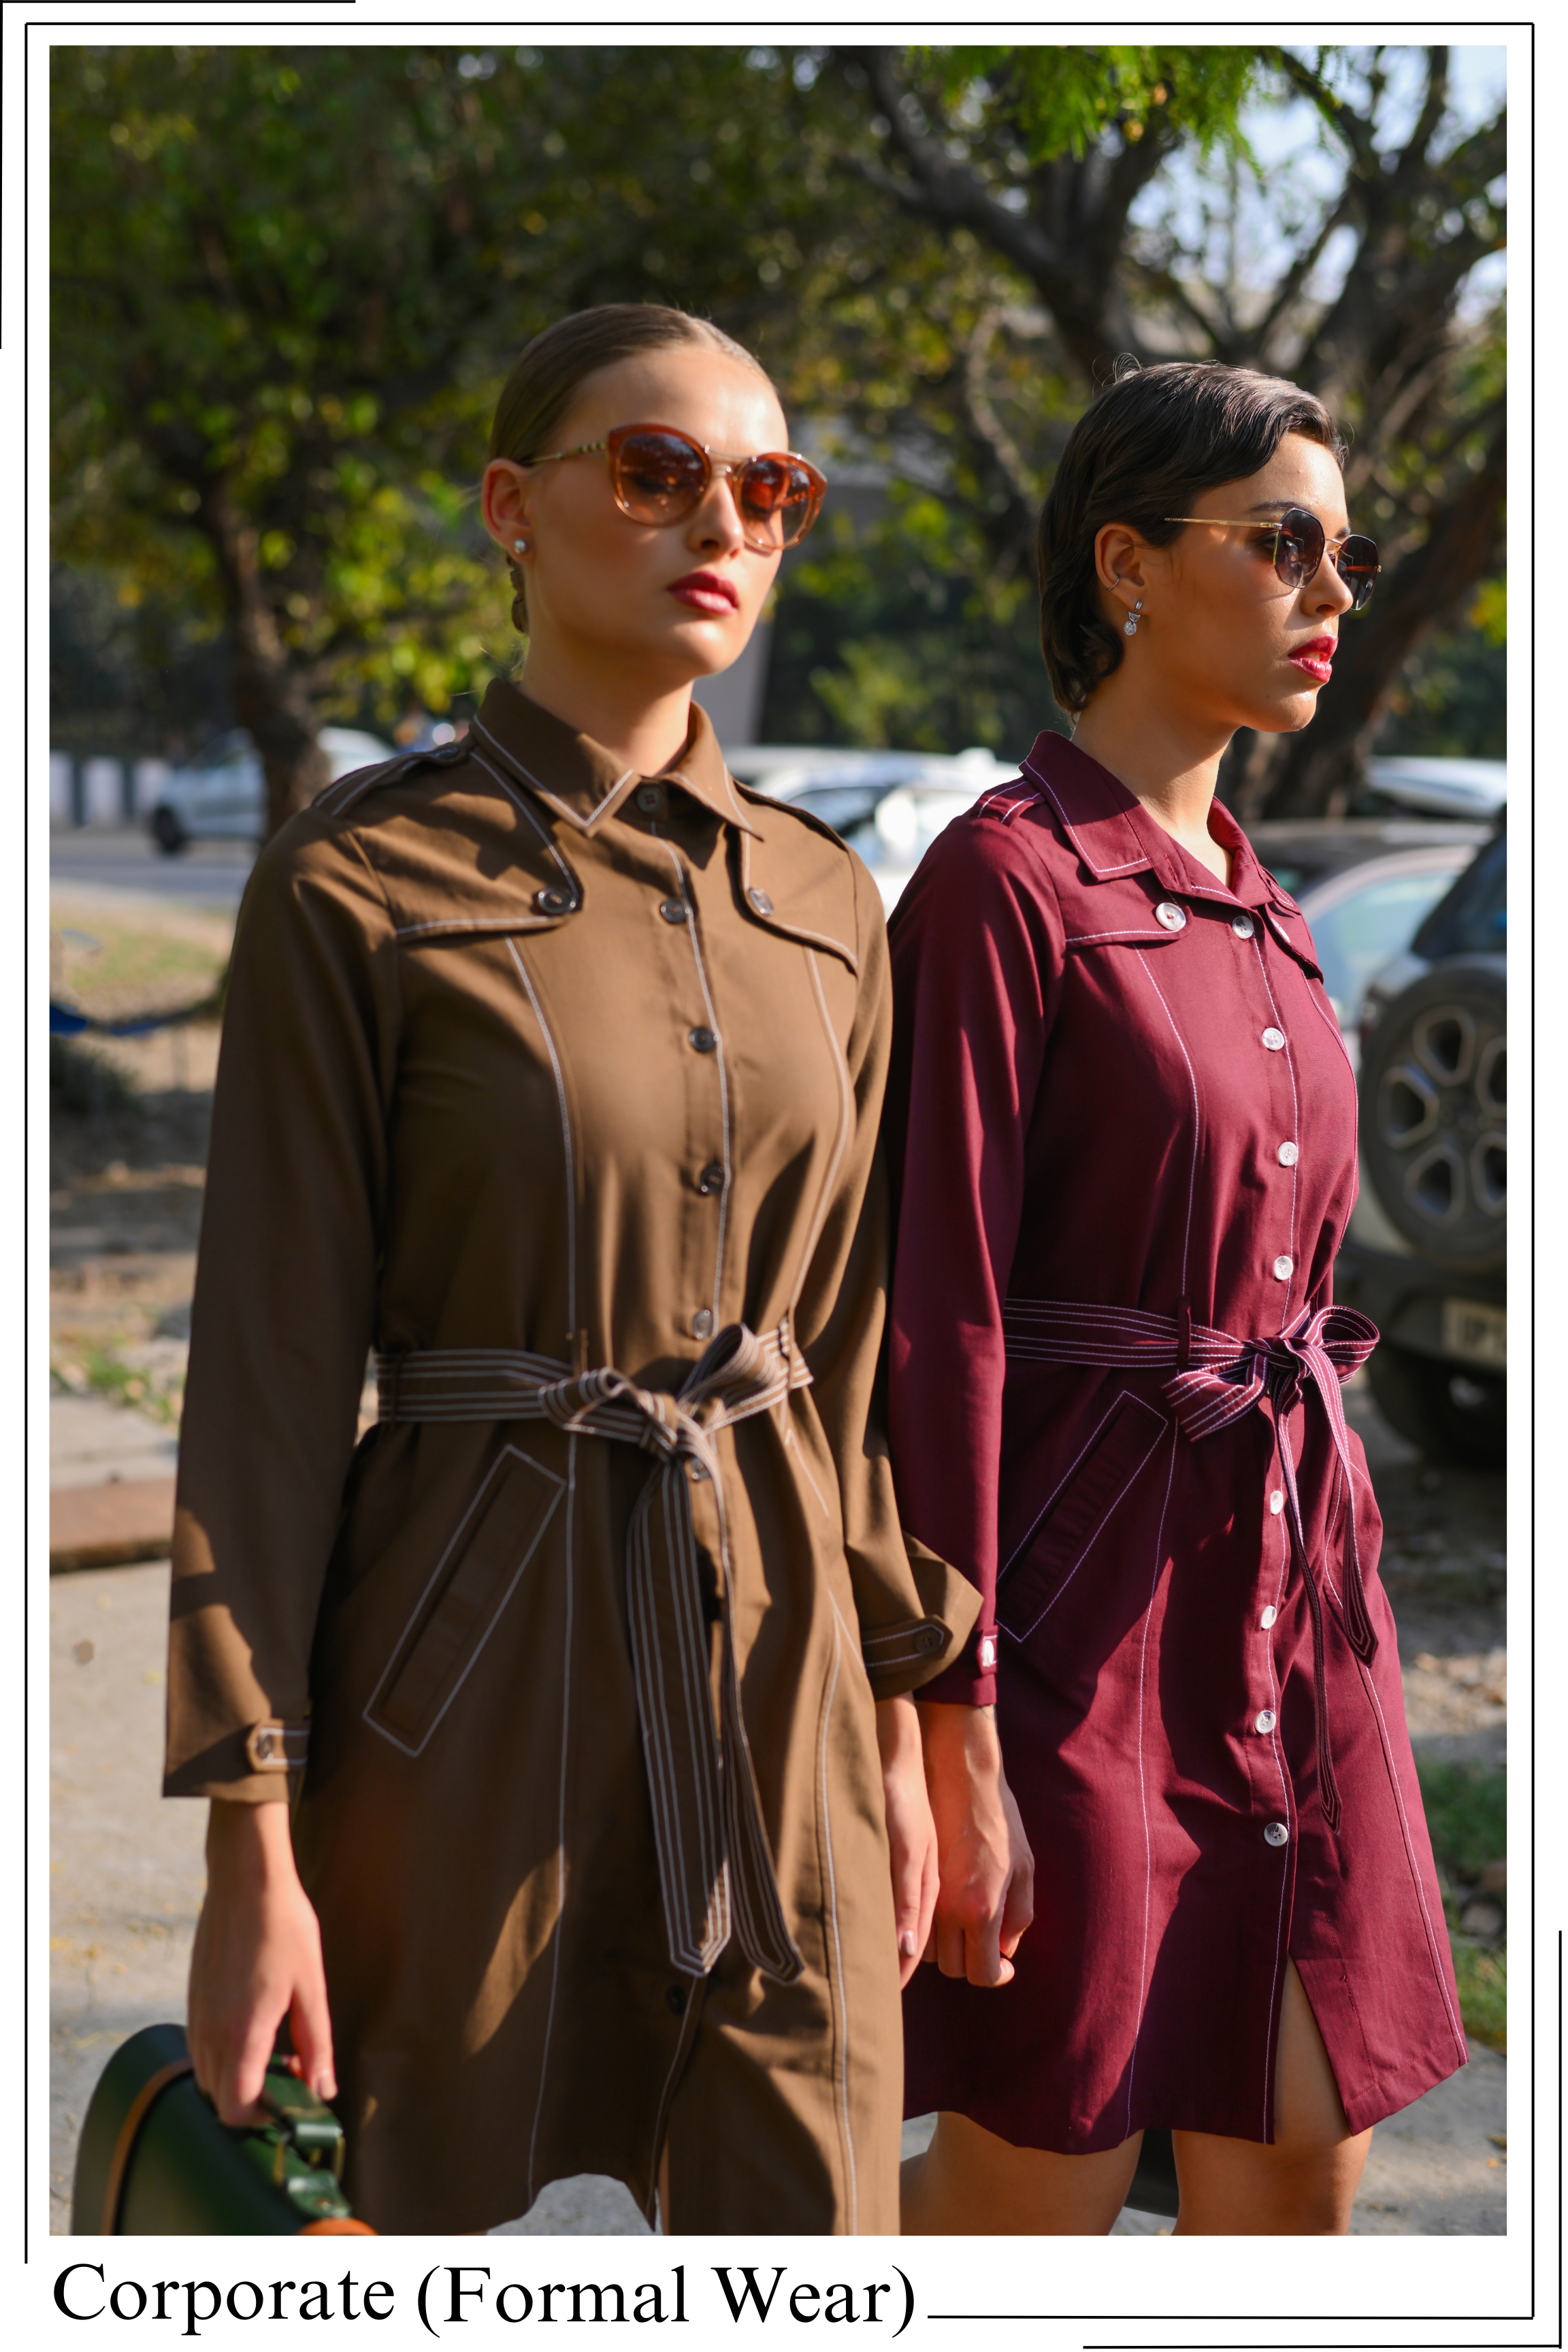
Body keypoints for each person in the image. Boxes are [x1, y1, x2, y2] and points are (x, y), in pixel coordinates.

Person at [165, 303, 979, 2236]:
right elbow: (267, 1385)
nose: (722, 520)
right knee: (423, 2233)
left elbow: (857, 1360)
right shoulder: (358, 883)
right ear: (512, 509)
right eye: (657, 468)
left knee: (816, 2233)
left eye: (771, 489)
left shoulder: (829, 901)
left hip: (781, 1668)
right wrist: (246, 1850)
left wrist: (897, 1731)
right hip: (465, 1658)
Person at [885, 361, 1468, 2236]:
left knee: (1303, 2156)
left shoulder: (1276, 908)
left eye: (1345, 553)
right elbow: (937, 1327)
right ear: (1126, 566)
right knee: (1033, 2184)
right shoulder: (1003, 886)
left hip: (1300, 1623)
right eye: (1282, 542)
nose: (1333, 591)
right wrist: (947, 1722)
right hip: (1075, 1645)